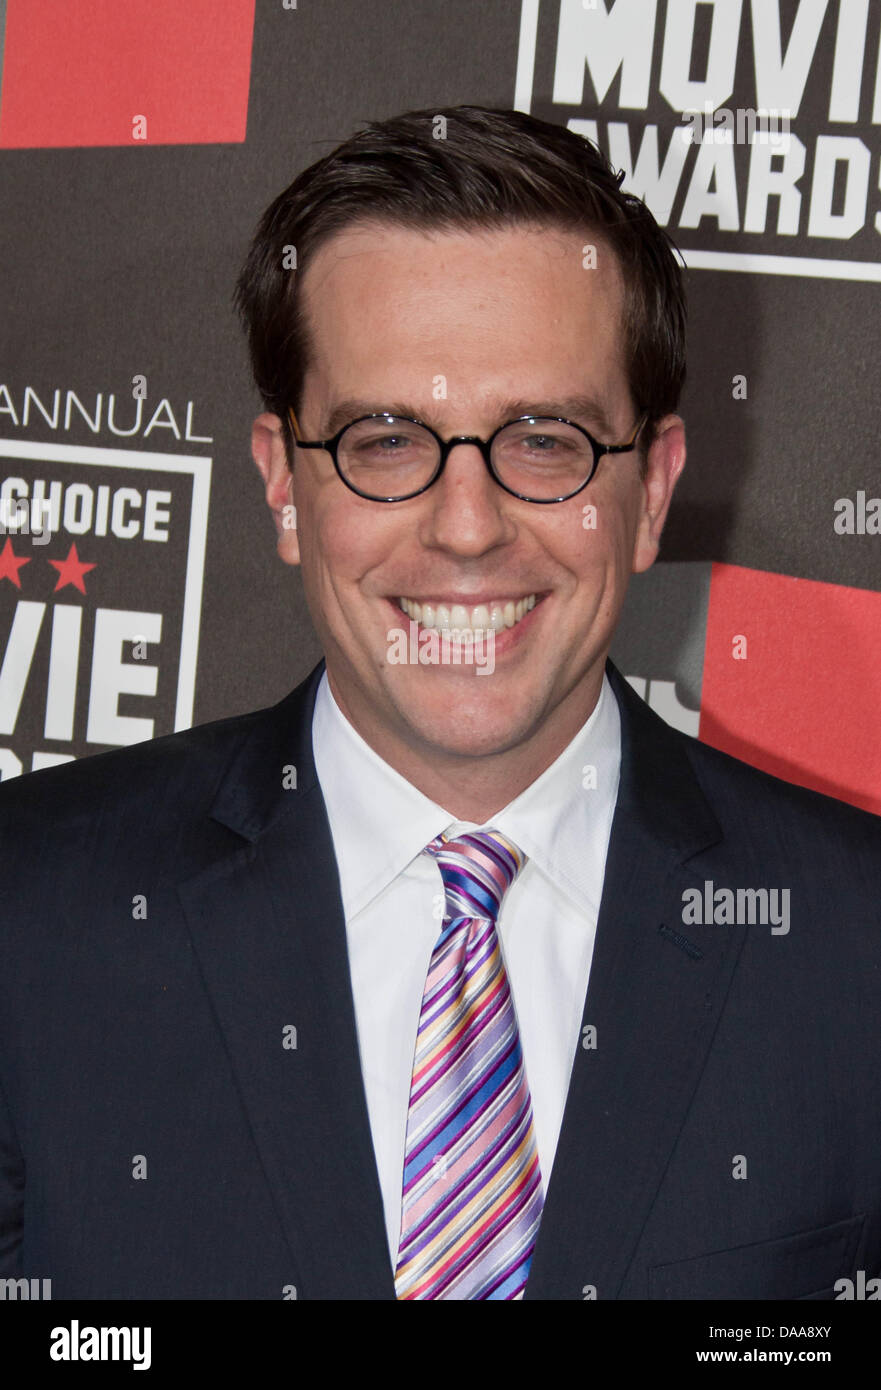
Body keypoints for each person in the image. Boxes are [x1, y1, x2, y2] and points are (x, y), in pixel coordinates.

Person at [1, 105, 879, 1302]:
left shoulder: (850, 944)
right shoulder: (29, 916)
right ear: (281, 483)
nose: (467, 525)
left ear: (653, 487)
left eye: (543, 438)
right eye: (383, 438)